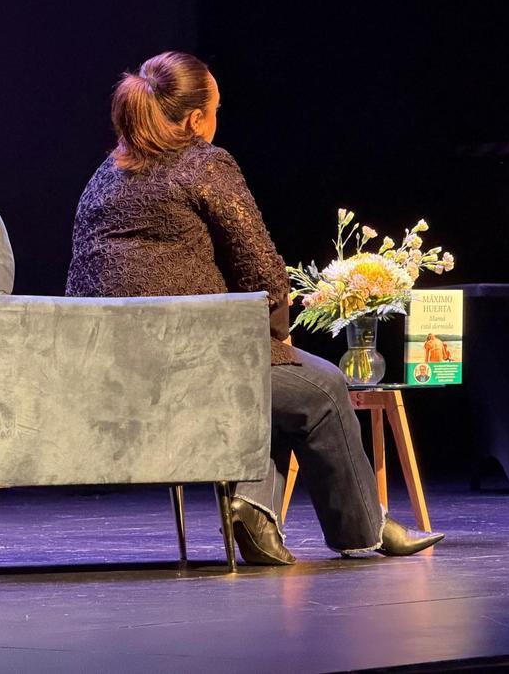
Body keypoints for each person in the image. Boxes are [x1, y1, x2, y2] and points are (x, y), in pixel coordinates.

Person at [66, 51, 444, 564]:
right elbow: (264, 271)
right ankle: (365, 532)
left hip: (105, 372)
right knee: (324, 386)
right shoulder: (204, 162)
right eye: (217, 108)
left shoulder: (103, 178)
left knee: (270, 387)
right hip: (190, 364)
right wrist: (279, 335)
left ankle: (255, 509)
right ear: (197, 119)